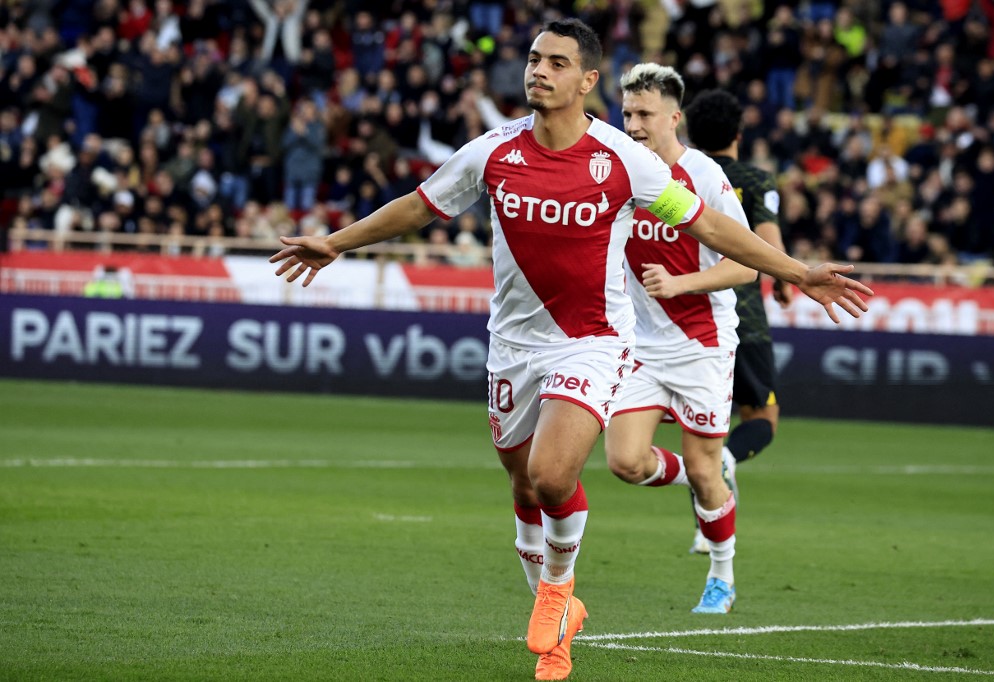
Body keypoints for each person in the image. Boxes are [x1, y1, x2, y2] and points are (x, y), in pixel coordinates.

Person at [269, 19, 872, 681]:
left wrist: (794, 271)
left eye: (557, 62)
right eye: (533, 59)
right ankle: (560, 623)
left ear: (587, 80)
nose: (538, 71)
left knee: (556, 476)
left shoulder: (624, 160)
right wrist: (335, 242)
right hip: (512, 348)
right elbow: (418, 207)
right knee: (523, 486)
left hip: (593, 342)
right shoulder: (493, 152)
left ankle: (558, 594)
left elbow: (707, 224)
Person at [605, 63, 755, 615]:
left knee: (703, 467)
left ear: (674, 117)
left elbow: (747, 268)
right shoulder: (620, 175)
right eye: (626, 113)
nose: (634, 124)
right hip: (640, 347)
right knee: (624, 462)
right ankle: (702, 480)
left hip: (702, 344)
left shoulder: (707, 177)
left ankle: (721, 577)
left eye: (644, 114)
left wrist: (680, 283)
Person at [684, 88, 795, 554]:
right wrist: (788, 280)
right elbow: (766, 244)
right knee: (760, 418)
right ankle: (728, 461)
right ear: (739, 132)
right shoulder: (754, 178)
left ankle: (704, 532)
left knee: (700, 432)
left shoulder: (682, 175)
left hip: (686, 316)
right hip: (741, 317)